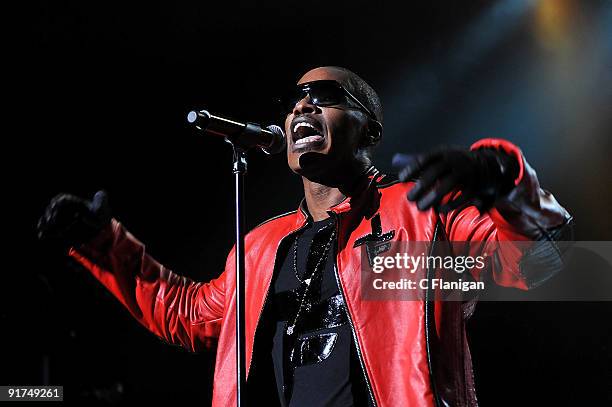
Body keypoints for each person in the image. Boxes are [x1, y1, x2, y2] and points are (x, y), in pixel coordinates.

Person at [38, 66, 572, 407]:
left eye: (323, 95)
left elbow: (539, 265)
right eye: (294, 100)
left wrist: (505, 181)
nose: (301, 107)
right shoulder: (263, 247)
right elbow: (189, 315)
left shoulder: (418, 215)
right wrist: (106, 246)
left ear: (368, 128)